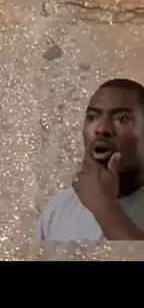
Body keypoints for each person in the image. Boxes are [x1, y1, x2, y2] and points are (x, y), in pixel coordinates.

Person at [35, 78, 144, 241]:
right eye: (92, 117)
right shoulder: (59, 207)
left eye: (122, 119)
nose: (102, 129)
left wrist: (103, 206)